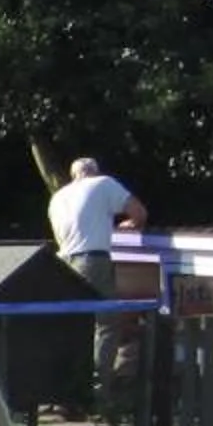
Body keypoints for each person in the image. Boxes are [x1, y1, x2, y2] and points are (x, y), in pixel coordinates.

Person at [48, 157, 149, 407]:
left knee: (71, 327)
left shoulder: (58, 198)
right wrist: (128, 225)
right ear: (94, 172)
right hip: (92, 260)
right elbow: (139, 213)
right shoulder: (103, 183)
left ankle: (61, 391)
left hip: (62, 263)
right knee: (107, 323)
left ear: (74, 176)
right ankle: (98, 392)